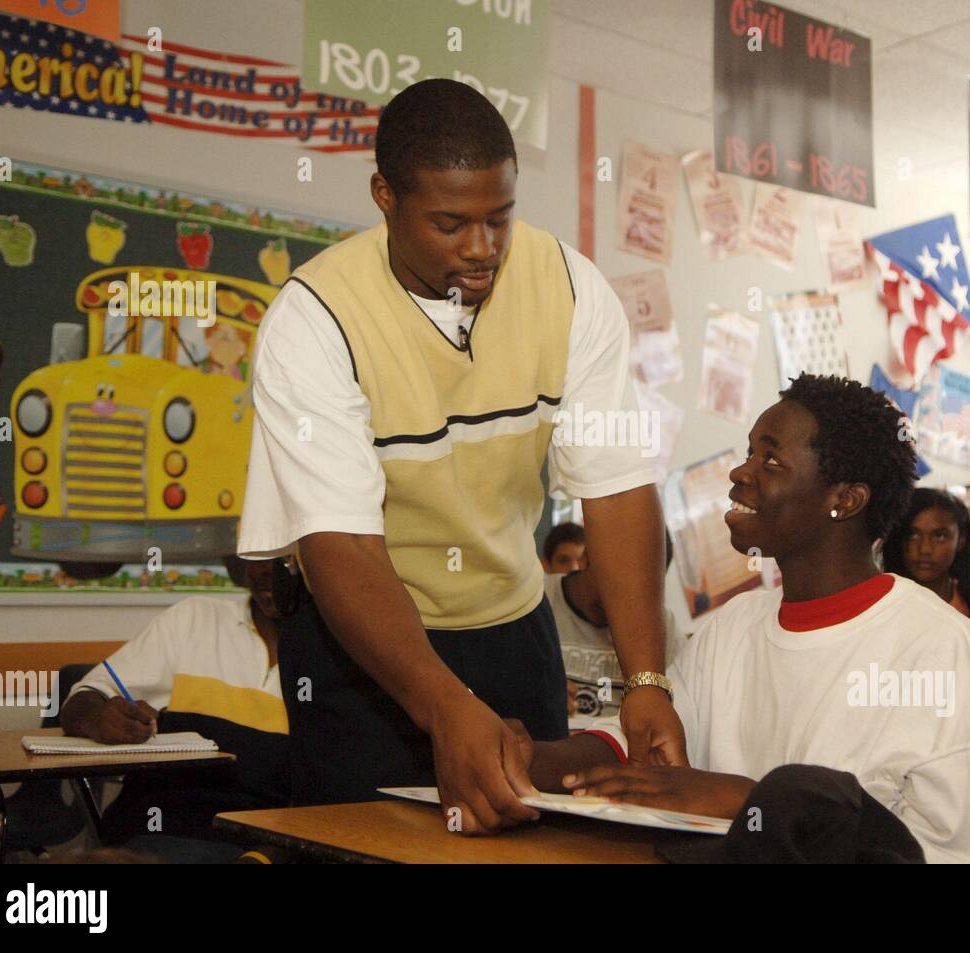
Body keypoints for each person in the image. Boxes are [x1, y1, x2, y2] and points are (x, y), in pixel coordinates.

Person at [238, 79, 682, 831]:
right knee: (363, 844)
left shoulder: (572, 290)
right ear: (385, 196)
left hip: (512, 626)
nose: (482, 248)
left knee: (534, 842)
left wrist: (646, 681)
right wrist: (445, 707)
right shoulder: (314, 319)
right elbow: (341, 541)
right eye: (450, 223)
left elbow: (616, 488)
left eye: (499, 217)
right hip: (362, 643)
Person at [516, 375, 970, 863]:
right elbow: (639, 746)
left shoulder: (945, 651)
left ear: (844, 500)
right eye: (748, 453)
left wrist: (749, 802)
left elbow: (949, 851)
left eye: (771, 459)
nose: (740, 473)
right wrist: (521, 757)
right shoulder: (729, 628)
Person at [59, 556, 291, 862]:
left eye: (286, 557)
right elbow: (84, 697)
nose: (266, 568)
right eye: (258, 553)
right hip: (147, 835)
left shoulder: (339, 653)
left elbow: (332, 809)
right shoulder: (193, 619)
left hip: (257, 848)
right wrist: (99, 719)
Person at [547, 530, 683, 717]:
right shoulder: (536, 601)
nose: (621, 604)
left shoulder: (664, 628)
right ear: (586, 557)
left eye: (639, 596)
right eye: (614, 585)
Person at [883, 487, 970, 617]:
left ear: (961, 540)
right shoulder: (881, 607)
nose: (925, 549)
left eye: (939, 536)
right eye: (913, 535)